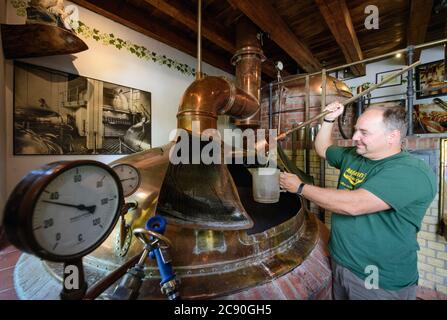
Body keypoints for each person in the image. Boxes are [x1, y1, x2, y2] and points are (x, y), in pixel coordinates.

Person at [279, 102, 437, 300]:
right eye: (355, 131)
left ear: (392, 136)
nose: (354, 138)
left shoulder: (410, 172)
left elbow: (354, 205)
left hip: (377, 277)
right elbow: (323, 148)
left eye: (364, 132)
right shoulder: (355, 156)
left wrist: (300, 188)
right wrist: (328, 119)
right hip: (341, 261)